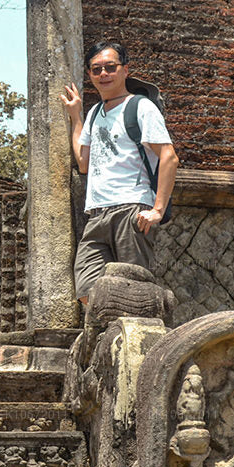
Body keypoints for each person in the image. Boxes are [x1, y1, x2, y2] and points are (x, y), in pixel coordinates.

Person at [60, 41, 179, 304]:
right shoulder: (94, 113)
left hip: (131, 210)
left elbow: (169, 157)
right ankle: (108, 338)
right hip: (97, 212)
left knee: (134, 292)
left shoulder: (141, 107)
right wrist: (77, 117)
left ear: (125, 70)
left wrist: (157, 210)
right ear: (90, 75)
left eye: (110, 67)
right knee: (87, 291)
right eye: (96, 69)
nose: (103, 74)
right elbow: (83, 163)